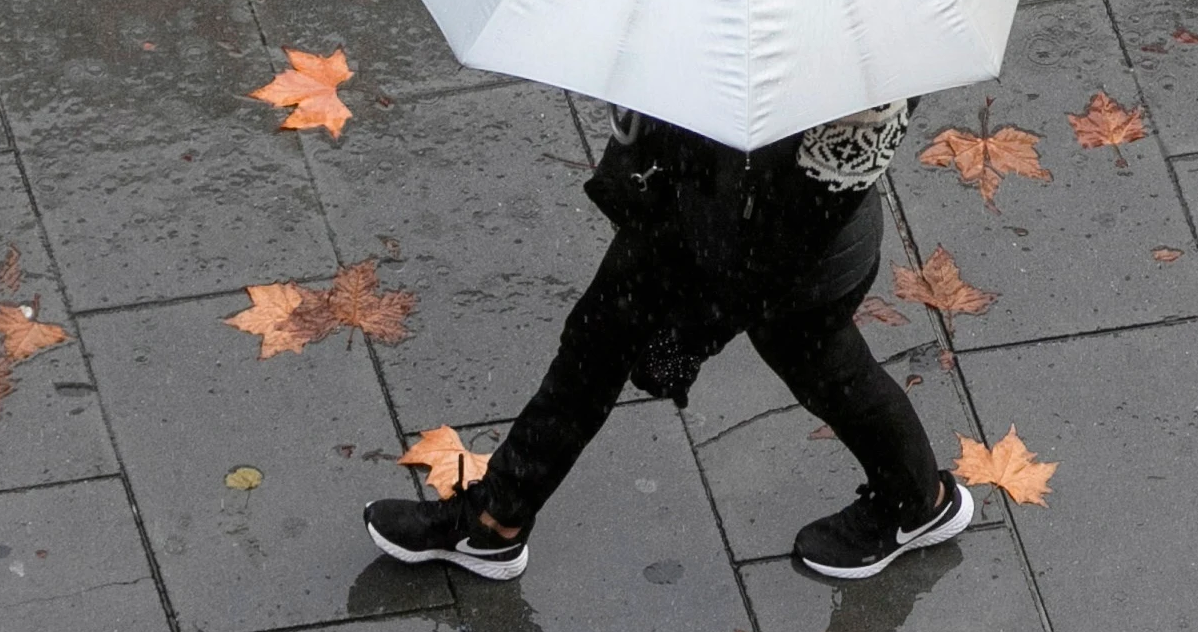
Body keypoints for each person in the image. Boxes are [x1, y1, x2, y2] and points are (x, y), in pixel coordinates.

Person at [363, 98, 972, 582]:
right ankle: (495, 522)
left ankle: (918, 502)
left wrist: (691, 337)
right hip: (691, 203)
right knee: (593, 340)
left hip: (794, 264)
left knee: (831, 376)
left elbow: (792, 235)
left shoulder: (866, 62)